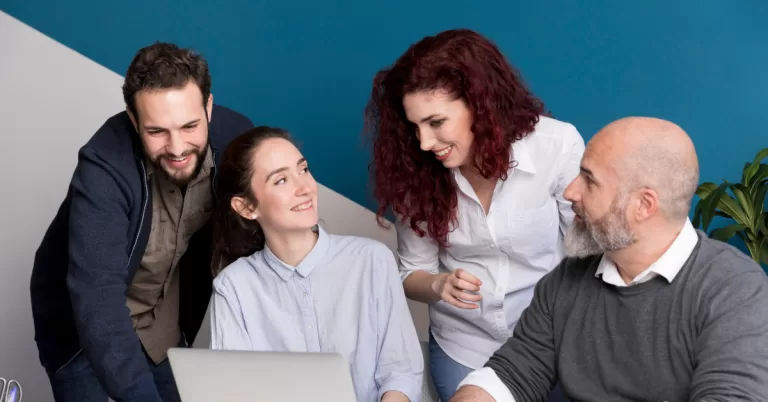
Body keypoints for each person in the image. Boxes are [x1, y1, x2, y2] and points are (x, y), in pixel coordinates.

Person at [452, 117, 768, 401]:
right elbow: (513, 373)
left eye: (589, 180)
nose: (570, 192)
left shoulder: (735, 291)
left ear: (643, 205)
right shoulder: (566, 280)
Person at [363, 28, 584, 401]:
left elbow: (588, 255)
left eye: (436, 122)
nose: (424, 143)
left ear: (481, 105)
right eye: (415, 126)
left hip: (553, 342)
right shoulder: (415, 173)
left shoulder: (556, 147)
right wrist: (438, 285)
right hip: (465, 346)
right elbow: (410, 273)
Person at [30, 42, 254, 402]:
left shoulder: (237, 142)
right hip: (82, 325)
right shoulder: (102, 167)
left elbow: (265, 229)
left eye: (190, 126)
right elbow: (97, 299)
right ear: (134, 121)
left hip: (159, 321)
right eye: (157, 132)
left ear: (209, 107)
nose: (177, 147)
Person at [208, 126, 424, 402]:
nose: (305, 188)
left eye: (304, 169)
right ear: (247, 207)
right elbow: (233, 391)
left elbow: (401, 371)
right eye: (281, 180)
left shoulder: (372, 260)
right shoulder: (233, 286)